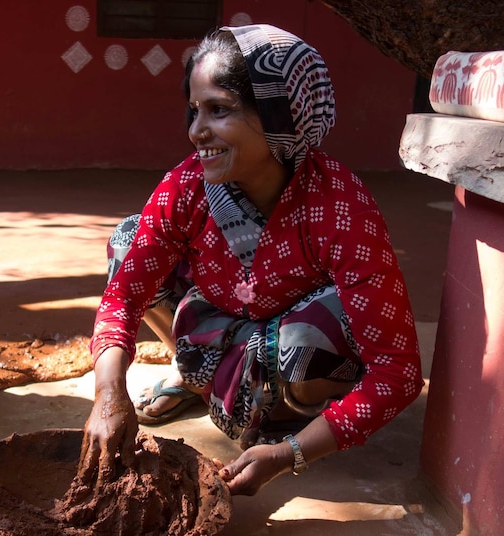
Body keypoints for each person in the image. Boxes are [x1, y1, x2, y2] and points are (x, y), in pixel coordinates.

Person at [76, 24, 423, 497]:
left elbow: (396, 372)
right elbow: (123, 299)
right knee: (128, 238)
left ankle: (287, 420)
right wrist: (108, 394)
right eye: (194, 111)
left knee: (315, 334)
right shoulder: (188, 187)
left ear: (282, 113)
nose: (197, 131)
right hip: (215, 319)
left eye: (219, 110)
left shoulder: (341, 207)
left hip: (283, 349)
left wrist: (290, 455)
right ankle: (192, 371)